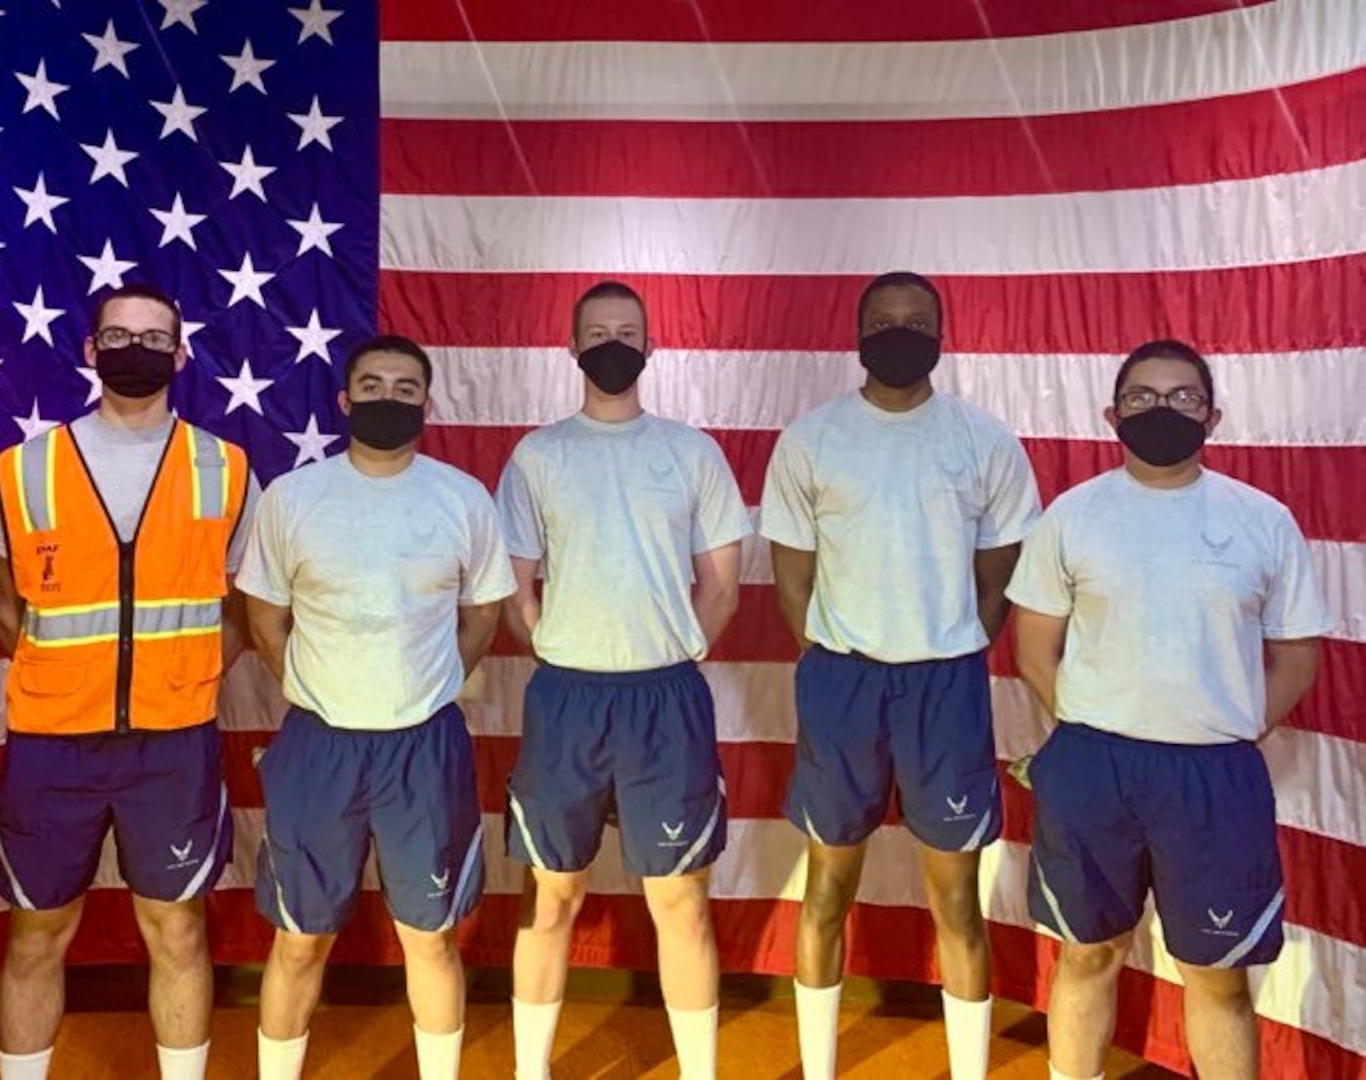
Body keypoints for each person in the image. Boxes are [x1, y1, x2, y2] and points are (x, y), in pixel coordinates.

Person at [1007, 340, 1329, 1080]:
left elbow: (1297, 655)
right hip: (1092, 766)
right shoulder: (1072, 515)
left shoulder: (1261, 520)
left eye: (1181, 397)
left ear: (1212, 417)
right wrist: (1090, 725)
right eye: (1141, 397)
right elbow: (1033, 648)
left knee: (1214, 975)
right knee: (1087, 954)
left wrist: (1227, 728)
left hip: (1213, 776)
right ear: (1110, 414)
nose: (1161, 410)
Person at [760, 272, 1041, 1080]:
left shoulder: (981, 440)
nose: (899, 331)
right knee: (826, 885)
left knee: (955, 896)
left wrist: (948, 645)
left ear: (941, 335)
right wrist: (842, 650)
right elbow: (790, 581)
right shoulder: (812, 439)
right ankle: (818, 1068)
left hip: (944, 686)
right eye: (883, 321)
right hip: (841, 682)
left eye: (916, 321)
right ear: (856, 335)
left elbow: (998, 579)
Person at [0, 283, 253, 1080]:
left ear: (180, 354)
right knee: (37, 932)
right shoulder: (23, 467)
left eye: (154, 336)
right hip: (49, 742)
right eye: (117, 335)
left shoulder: (226, 466)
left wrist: (187, 671)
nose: (135, 348)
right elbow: (4, 605)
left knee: (177, 930)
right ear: (90, 350)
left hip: (173, 743)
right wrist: (66, 675)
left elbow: (248, 604)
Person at [238, 334, 515, 1080]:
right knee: (299, 938)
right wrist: (312, 684)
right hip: (318, 744)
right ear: (343, 400)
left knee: (430, 937)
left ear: (425, 403)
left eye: (403, 387)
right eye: (371, 384)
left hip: (422, 746)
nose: (385, 398)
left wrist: (431, 681)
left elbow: (483, 614)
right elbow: (263, 614)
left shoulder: (460, 497)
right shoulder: (294, 498)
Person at [499, 281, 750, 1080]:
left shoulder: (690, 451)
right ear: (571, 350)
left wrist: (670, 648)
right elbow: (515, 581)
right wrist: (563, 644)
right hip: (567, 696)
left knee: (679, 902)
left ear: (650, 348)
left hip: (664, 699)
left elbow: (721, 582)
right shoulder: (539, 455)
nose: (613, 342)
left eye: (628, 331)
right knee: (550, 898)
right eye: (597, 331)